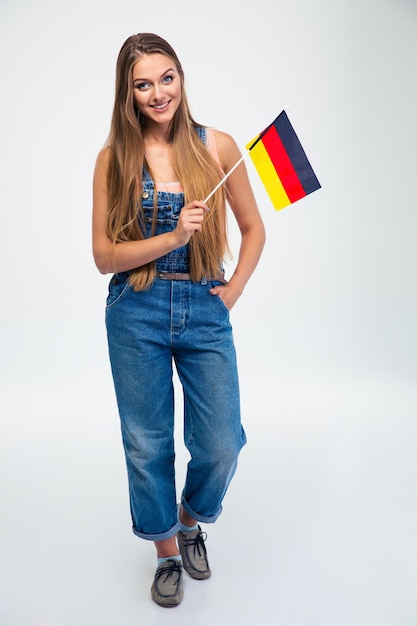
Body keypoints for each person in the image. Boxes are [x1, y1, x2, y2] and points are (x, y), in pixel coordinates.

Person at [92, 32, 265, 607]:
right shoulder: (114, 158)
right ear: (129, 93)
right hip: (135, 307)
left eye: (167, 77)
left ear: (181, 77)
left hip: (202, 305)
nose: (158, 92)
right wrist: (170, 235)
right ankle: (167, 551)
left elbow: (253, 227)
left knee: (221, 442)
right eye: (144, 84)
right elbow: (103, 257)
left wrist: (232, 290)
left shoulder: (216, 145)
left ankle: (190, 519)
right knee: (146, 443)